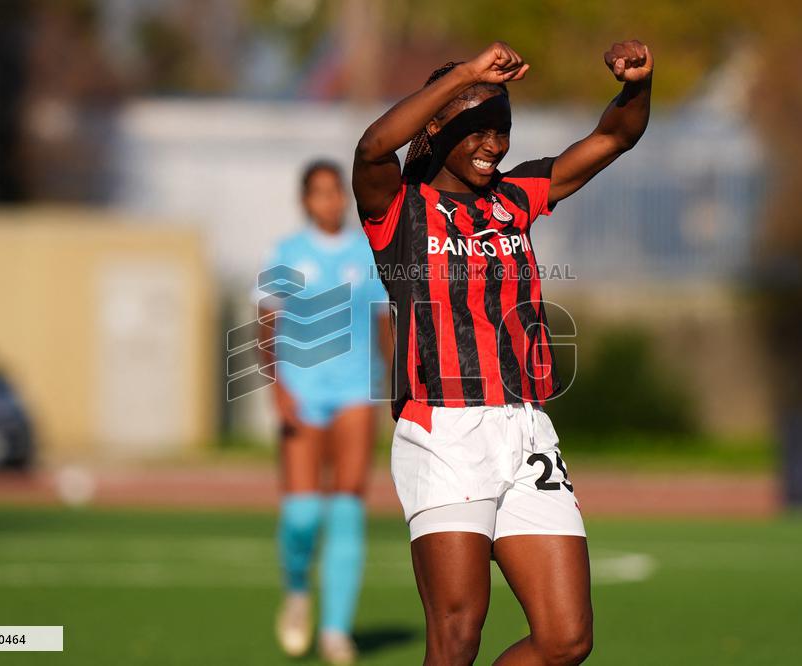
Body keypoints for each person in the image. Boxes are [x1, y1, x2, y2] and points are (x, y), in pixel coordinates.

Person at [352, 40, 653, 665]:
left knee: (566, 639)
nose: (494, 144)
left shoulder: (516, 198)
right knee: (457, 637)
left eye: (502, 130)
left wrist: (637, 87)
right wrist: (464, 74)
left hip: (527, 427)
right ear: (435, 128)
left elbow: (614, 137)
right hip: (445, 429)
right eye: (477, 129)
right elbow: (371, 148)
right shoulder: (397, 209)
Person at [255, 160, 391, 665]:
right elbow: (264, 326)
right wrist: (279, 389)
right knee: (302, 513)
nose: (329, 201)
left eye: (336, 192)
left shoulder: (368, 253)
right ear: (305, 200)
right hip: (302, 390)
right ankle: (296, 589)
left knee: (348, 509)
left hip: (356, 392)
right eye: (319, 193)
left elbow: (384, 323)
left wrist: (395, 385)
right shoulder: (286, 254)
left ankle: (336, 631)